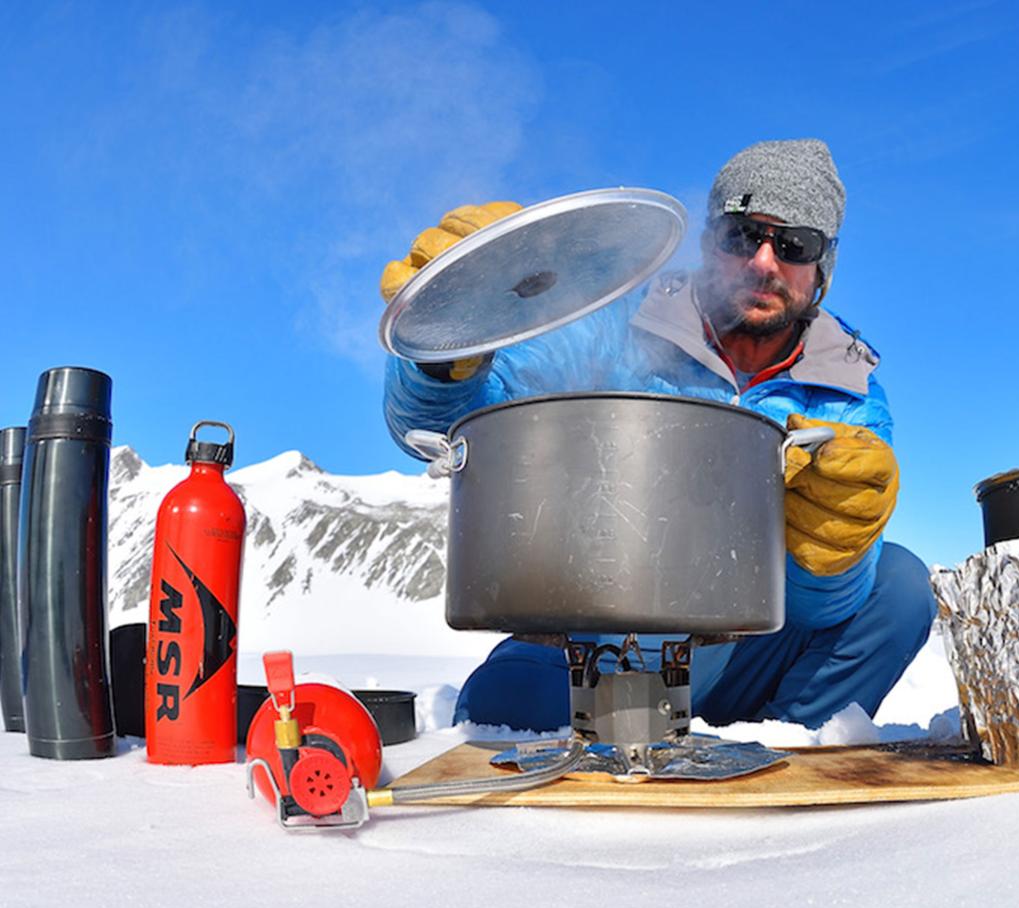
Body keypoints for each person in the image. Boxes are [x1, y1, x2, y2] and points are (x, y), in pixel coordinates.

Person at [381, 139, 935, 731]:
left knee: (898, 586)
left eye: (795, 244)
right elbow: (452, 419)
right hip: (604, 634)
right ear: (708, 241)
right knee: (504, 716)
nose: (764, 262)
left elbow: (818, 608)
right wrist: (457, 338)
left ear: (822, 268)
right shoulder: (619, 315)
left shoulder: (846, 391)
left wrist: (832, 551)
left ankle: (790, 748)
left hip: (750, 649)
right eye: (743, 235)